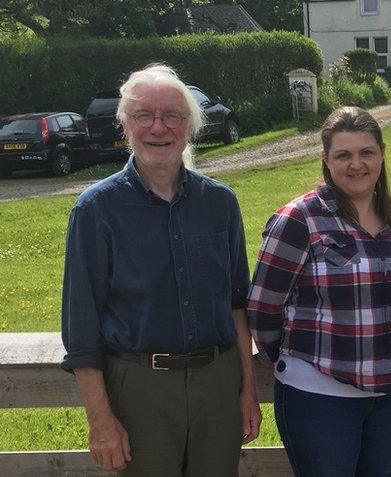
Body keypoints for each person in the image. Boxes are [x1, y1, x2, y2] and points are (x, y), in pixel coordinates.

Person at [60, 64, 261, 476]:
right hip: (139, 388)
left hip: (217, 383)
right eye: (143, 116)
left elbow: (237, 304)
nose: (158, 127)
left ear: (189, 126)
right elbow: (81, 328)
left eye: (172, 115)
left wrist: (247, 391)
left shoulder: (220, 203)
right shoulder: (96, 210)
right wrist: (100, 421)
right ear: (124, 124)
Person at [247, 107, 391, 477]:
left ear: (382, 154)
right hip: (318, 398)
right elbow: (262, 310)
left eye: (366, 152)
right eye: (344, 155)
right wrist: (300, 358)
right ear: (326, 160)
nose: (356, 164)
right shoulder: (300, 219)